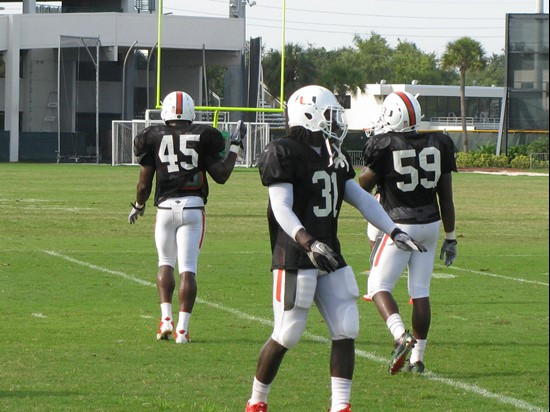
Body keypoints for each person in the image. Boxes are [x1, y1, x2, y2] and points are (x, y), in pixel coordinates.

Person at [245, 85, 425, 412]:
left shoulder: (331, 151)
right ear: (309, 114)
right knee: (288, 333)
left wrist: (394, 230)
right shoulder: (282, 151)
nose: (335, 121)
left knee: (346, 327)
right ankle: (257, 402)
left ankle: (340, 406)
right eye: (329, 114)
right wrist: (307, 241)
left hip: (330, 252)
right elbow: (280, 207)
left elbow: (358, 196)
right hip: (296, 254)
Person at [128, 90, 247, 344]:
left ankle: (165, 319)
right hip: (193, 208)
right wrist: (235, 147)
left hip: (164, 209)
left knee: (165, 263)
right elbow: (222, 175)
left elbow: (143, 184)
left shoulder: (152, 136)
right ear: (191, 112)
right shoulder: (204, 135)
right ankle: (182, 330)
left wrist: (139, 205)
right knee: (188, 270)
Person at [359, 91, 458, 374]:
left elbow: (361, 185)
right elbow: (446, 197)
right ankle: (418, 360)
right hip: (431, 224)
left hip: (399, 225)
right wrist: (451, 237)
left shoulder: (385, 145)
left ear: (394, 115)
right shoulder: (439, 142)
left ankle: (400, 336)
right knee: (420, 292)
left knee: (378, 287)